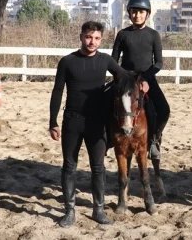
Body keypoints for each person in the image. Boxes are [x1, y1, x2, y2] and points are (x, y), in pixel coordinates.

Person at [49, 21, 129, 228]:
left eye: (96, 38)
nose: (92, 42)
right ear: (81, 36)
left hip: (97, 122)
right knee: (69, 166)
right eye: (88, 37)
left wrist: (142, 81)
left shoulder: (106, 61)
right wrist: (53, 121)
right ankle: (69, 211)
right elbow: (57, 92)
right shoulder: (67, 61)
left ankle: (99, 209)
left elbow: (125, 77)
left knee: (98, 167)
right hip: (72, 121)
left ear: (101, 39)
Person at [111, 0, 169, 160]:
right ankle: (106, 139)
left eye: (141, 12)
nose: (137, 15)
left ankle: (154, 140)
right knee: (104, 104)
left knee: (164, 109)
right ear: (129, 13)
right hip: (125, 80)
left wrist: (145, 78)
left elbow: (158, 63)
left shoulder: (153, 35)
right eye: (134, 12)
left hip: (147, 79)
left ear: (147, 14)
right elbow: (114, 61)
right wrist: (121, 77)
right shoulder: (122, 34)